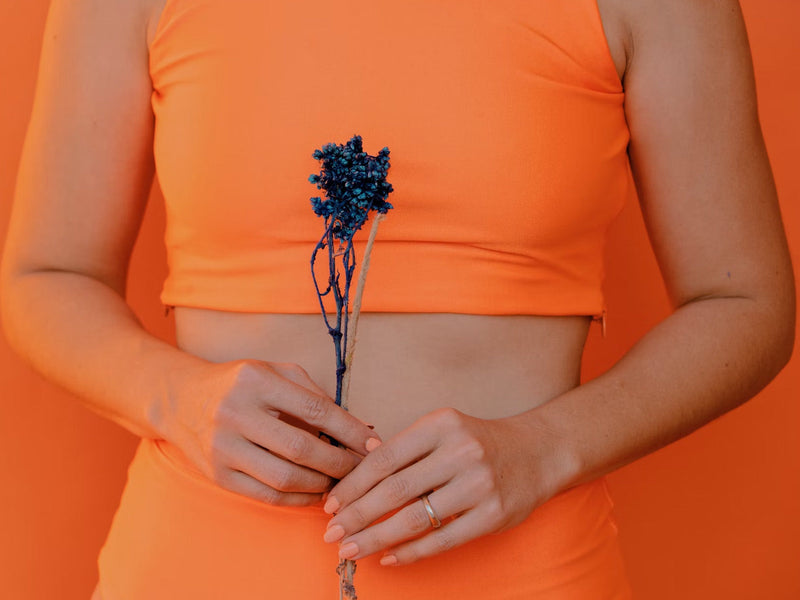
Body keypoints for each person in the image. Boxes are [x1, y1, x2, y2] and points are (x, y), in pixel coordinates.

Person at [1, 0, 794, 598]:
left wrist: (544, 448)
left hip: (526, 573)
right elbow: (46, 275)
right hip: (193, 566)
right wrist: (175, 398)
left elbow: (744, 303)